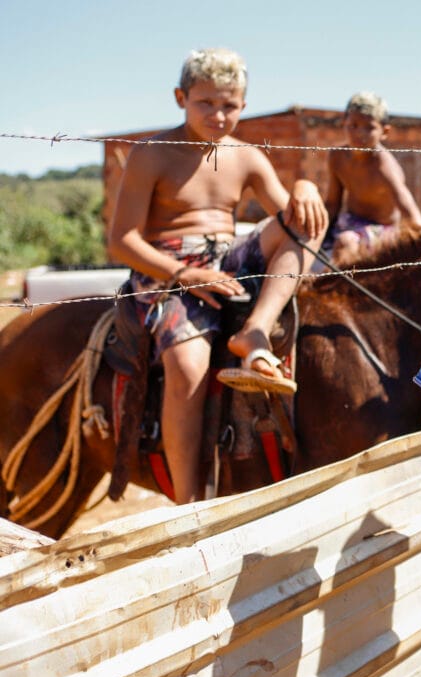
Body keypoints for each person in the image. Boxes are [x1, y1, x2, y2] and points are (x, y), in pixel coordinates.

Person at [108, 47, 328, 504]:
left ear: (243, 106)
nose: (218, 114)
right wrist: (185, 274)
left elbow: (287, 215)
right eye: (205, 102)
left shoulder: (245, 156)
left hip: (226, 258)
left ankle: (256, 331)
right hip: (167, 270)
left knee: (304, 226)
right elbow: (121, 241)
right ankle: (188, 501)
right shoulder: (151, 153)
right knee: (188, 366)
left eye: (229, 105)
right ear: (180, 97)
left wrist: (305, 186)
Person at [321, 91, 421, 259]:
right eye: (353, 125)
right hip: (349, 222)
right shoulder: (337, 156)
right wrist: (318, 232)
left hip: (382, 228)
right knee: (305, 237)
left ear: (384, 131)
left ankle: (338, 284)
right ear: (344, 124)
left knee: (346, 243)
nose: (359, 133)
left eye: (369, 127)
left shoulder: (384, 167)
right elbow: (332, 204)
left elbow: (411, 215)